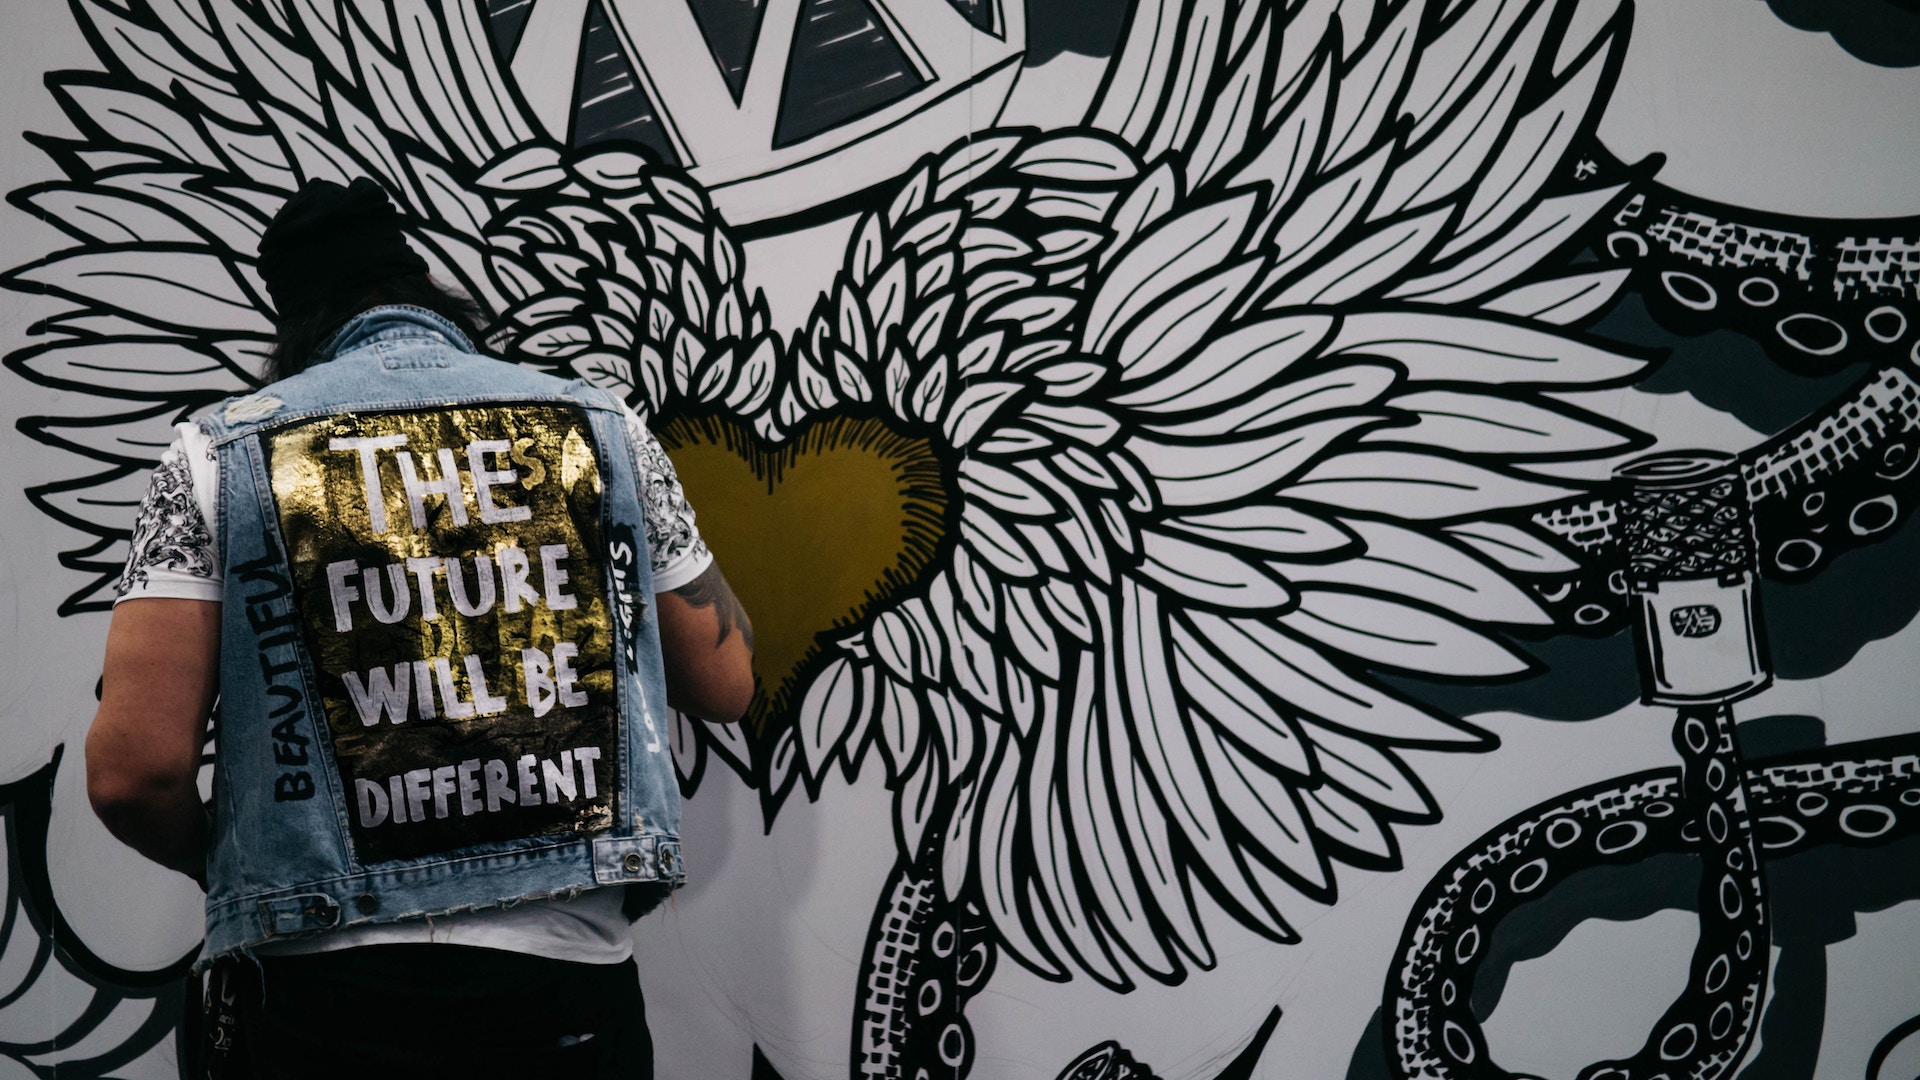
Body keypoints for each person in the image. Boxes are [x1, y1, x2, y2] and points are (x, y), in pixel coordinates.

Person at [83, 177, 754, 1078]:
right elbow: (728, 682)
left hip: (317, 998)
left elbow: (135, 771)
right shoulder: (601, 427)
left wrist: (234, 865)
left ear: (295, 331)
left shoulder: (217, 451)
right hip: (562, 994)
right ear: (427, 294)